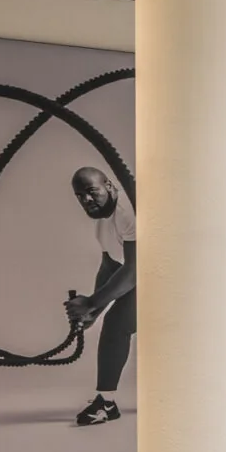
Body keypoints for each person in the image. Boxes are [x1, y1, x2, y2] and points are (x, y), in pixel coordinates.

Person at [64, 167, 136, 426]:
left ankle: (106, 403)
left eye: (92, 191)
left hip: (167, 279)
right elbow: (110, 265)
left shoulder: (128, 212)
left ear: (109, 185)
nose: (86, 200)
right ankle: (107, 401)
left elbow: (133, 271)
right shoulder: (103, 220)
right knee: (115, 324)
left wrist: (93, 303)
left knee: (117, 326)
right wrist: (93, 310)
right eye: (80, 195)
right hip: (142, 273)